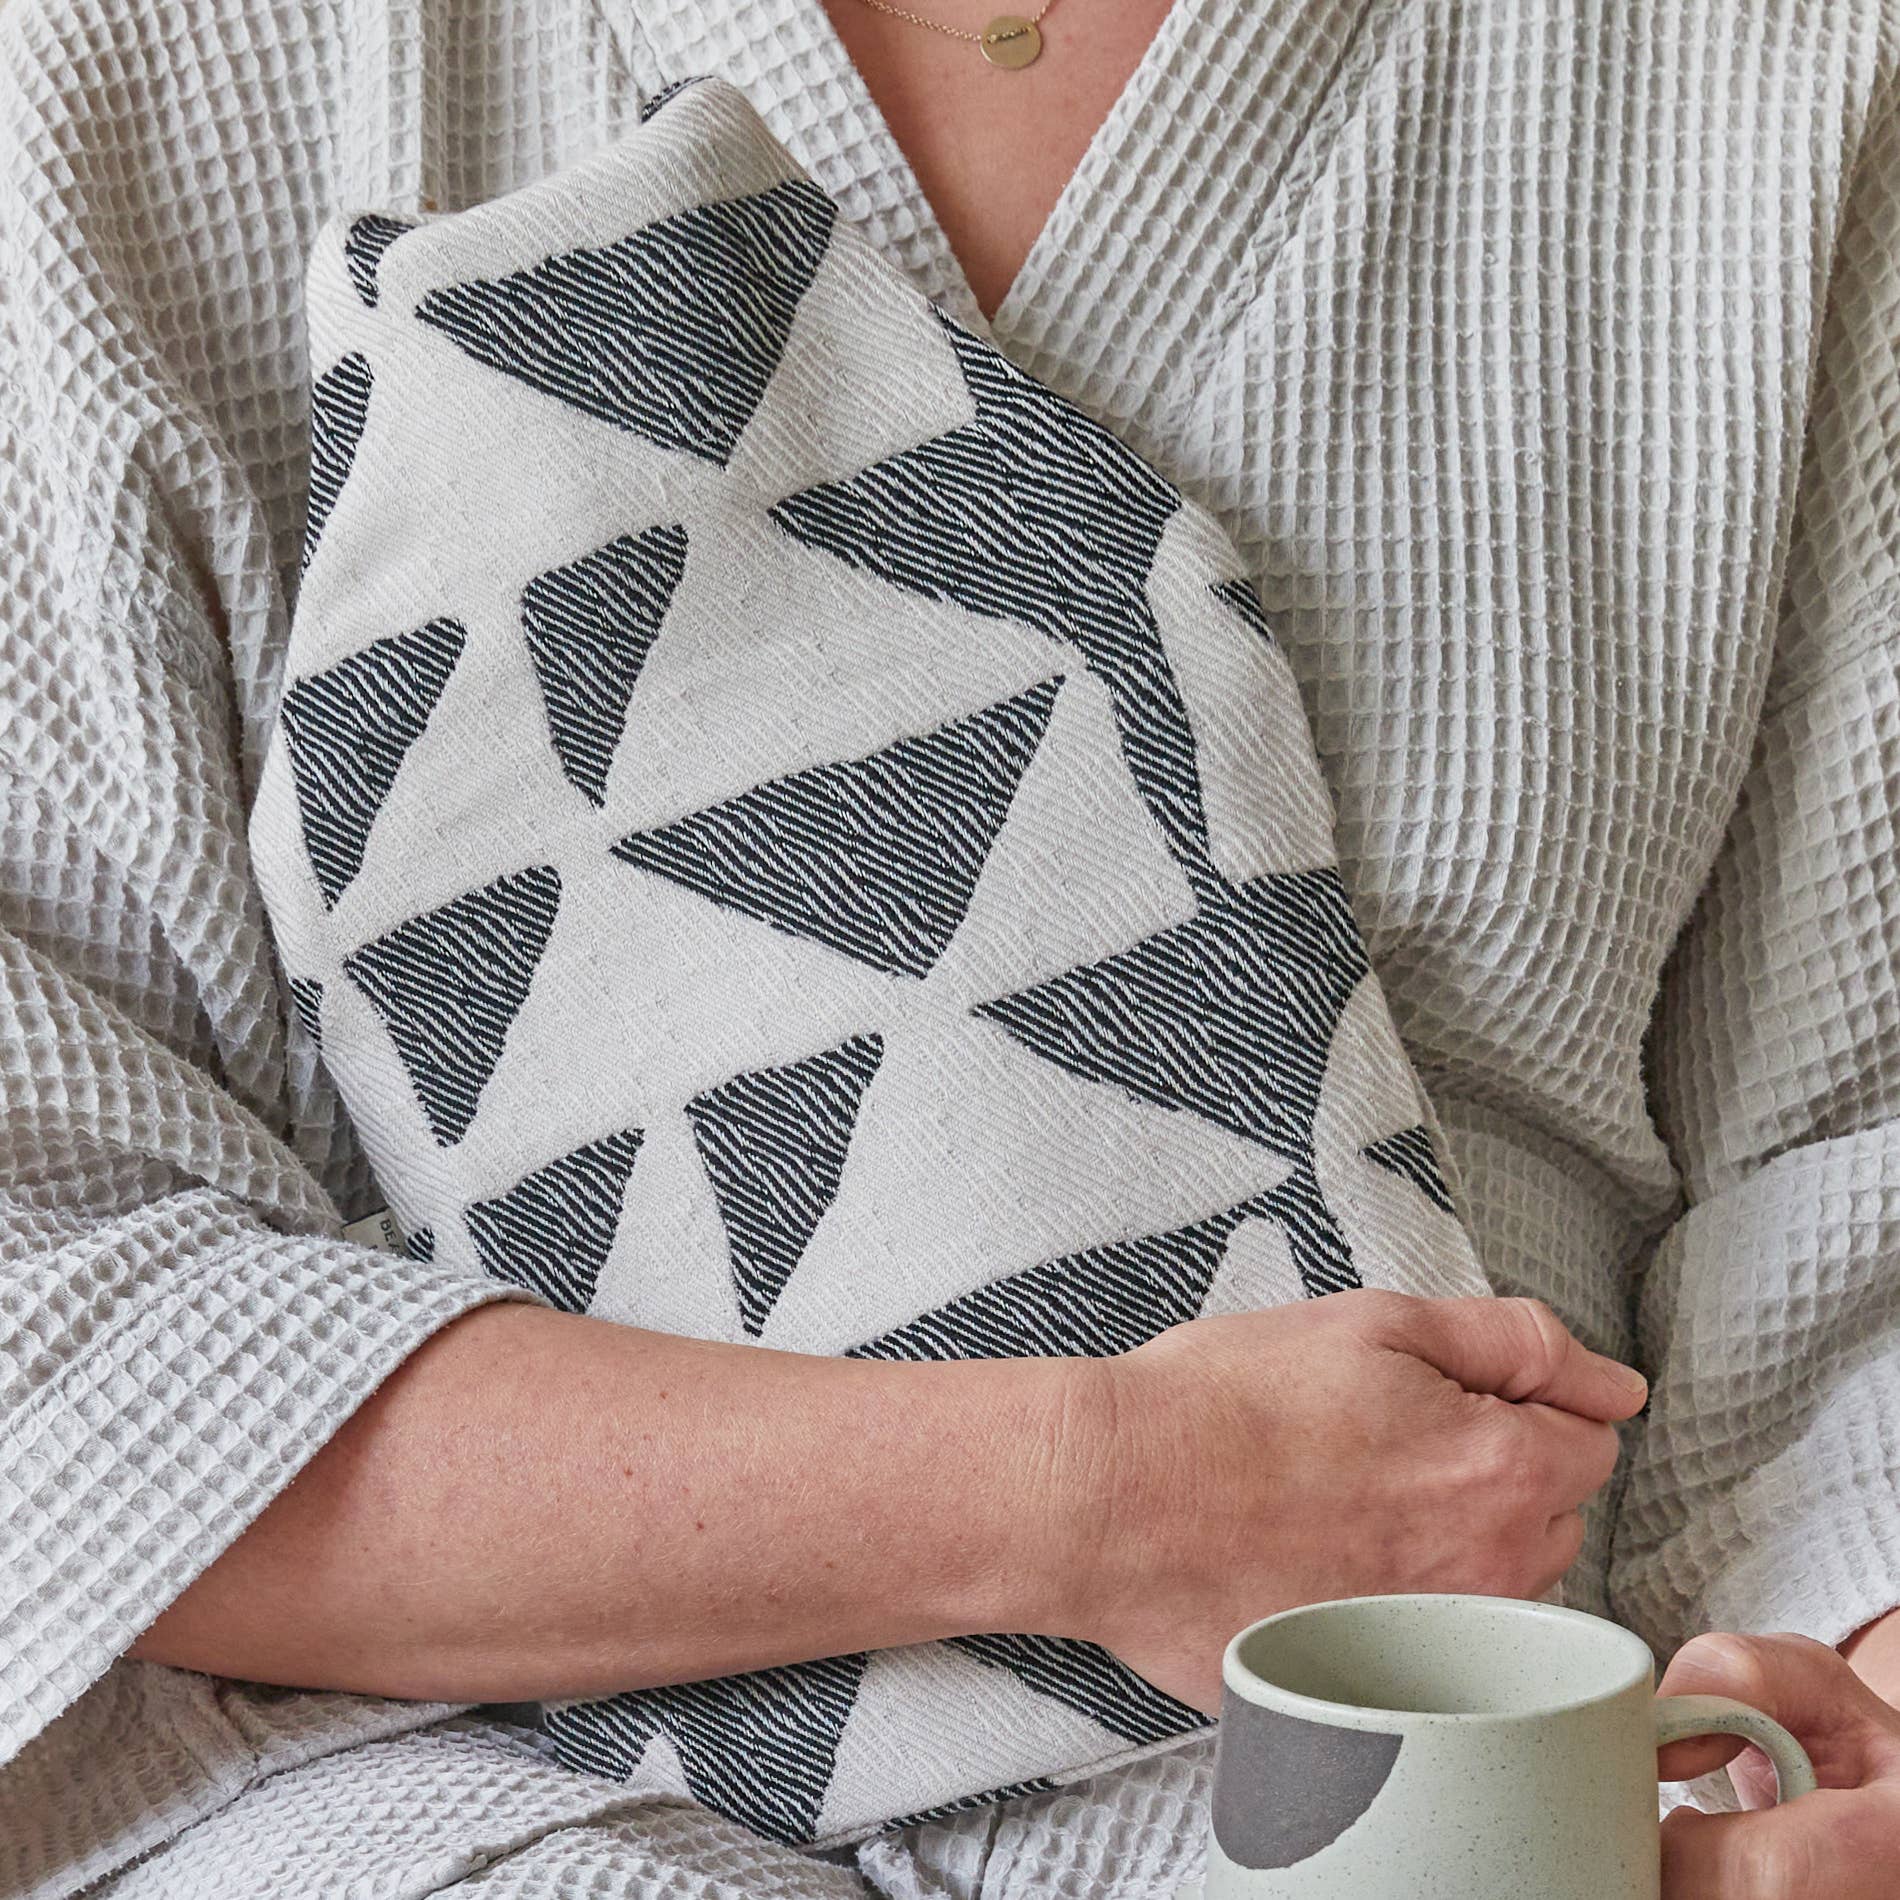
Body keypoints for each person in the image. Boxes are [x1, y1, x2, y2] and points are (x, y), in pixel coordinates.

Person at [3, 0, 1899, 1894]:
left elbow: (1853, 1174)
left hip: (1502, 1770)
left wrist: (1857, 1753)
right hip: (437, 1792)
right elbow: (52, 1339)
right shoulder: (136, 76)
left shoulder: (1765, 81)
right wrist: (1099, 1492)